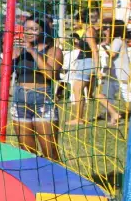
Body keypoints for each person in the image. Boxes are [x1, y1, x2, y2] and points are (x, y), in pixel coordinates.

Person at [10, 17, 63, 161]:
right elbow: (4, 73)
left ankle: (54, 180)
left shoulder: (53, 50)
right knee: (26, 151)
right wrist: (12, 53)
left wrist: (32, 51)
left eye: (34, 29)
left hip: (42, 99)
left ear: (43, 31)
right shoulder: (19, 50)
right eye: (26, 29)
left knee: (49, 150)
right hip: (20, 98)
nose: (29, 33)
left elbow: (51, 74)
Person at [66, 10, 101, 126]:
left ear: (81, 20)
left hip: (87, 63)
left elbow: (94, 50)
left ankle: (78, 118)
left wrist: (97, 69)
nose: (74, 24)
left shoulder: (89, 31)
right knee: (82, 92)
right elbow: (86, 48)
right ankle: (79, 117)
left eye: (76, 21)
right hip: (84, 62)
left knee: (77, 90)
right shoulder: (87, 31)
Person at [94, 22, 123, 127]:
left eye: (108, 29)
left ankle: (114, 115)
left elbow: (112, 54)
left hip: (116, 73)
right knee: (105, 95)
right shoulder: (114, 41)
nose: (106, 31)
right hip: (111, 72)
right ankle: (112, 116)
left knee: (100, 95)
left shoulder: (117, 41)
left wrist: (104, 46)